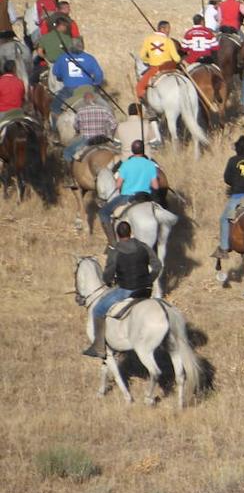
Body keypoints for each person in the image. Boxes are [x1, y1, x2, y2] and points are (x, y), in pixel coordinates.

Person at [82, 220, 162, 358]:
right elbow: (157, 266)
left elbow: (108, 274)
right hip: (146, 289)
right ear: (130, 232)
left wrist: (108, 282)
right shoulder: (143, 246)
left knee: (98, 309)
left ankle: (99, 346)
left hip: (126, 290)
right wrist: (149, 280)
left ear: (118, 235)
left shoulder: (116, 251)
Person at [98, 140, 159, 242]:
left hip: (127, 196)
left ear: (132, 151)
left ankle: (112, 244)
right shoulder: (150, 164)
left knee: (103, 212)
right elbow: (156, 186)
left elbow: (118, 185)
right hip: (146, 196)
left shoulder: (126, 164)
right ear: (143, 150)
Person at [62, 92, 117, 162]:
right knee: (120, 148)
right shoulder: (104, 110)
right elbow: (114, 124)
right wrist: (110, 136)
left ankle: (70, 170)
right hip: (103, 139)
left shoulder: (80, 111)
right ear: (94, 99)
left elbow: (76, 126)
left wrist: (78, 131)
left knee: (67, 151)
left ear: (84, 101)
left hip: (87, 140)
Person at [50, 46, 104, 116]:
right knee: (102, 102)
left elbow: (55, 72)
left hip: (69, 90)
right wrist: (96, 82)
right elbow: (98, 74)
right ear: (83, 46)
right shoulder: (89, 57)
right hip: (88, 89)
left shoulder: (62, 57)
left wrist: (63, 76)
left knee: (55, 107)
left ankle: (55, 126)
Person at [135, 20, 182, 99]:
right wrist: (179, 60)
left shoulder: (148, 39)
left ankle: (147, 103)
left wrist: (149, 61)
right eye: (168, 28)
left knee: (139, 88)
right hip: (170, 68)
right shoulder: (168, 41)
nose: (169, 31)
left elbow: (142, 56)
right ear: (162, 29)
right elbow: (176, 58)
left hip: (155, 69)